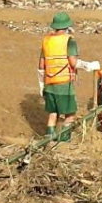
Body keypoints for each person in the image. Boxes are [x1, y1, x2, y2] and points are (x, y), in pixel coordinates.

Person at [39, 11, 79, 142]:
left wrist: (42, 84)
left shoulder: (46, 40)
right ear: (67, 26)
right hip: (64, 83)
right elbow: (73, 62)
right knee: (70, 114)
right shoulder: (69, 41)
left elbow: (41, 65)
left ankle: (49, 138)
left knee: (53, 113)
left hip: (49, 82)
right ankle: (64, 141)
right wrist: (87, 65)